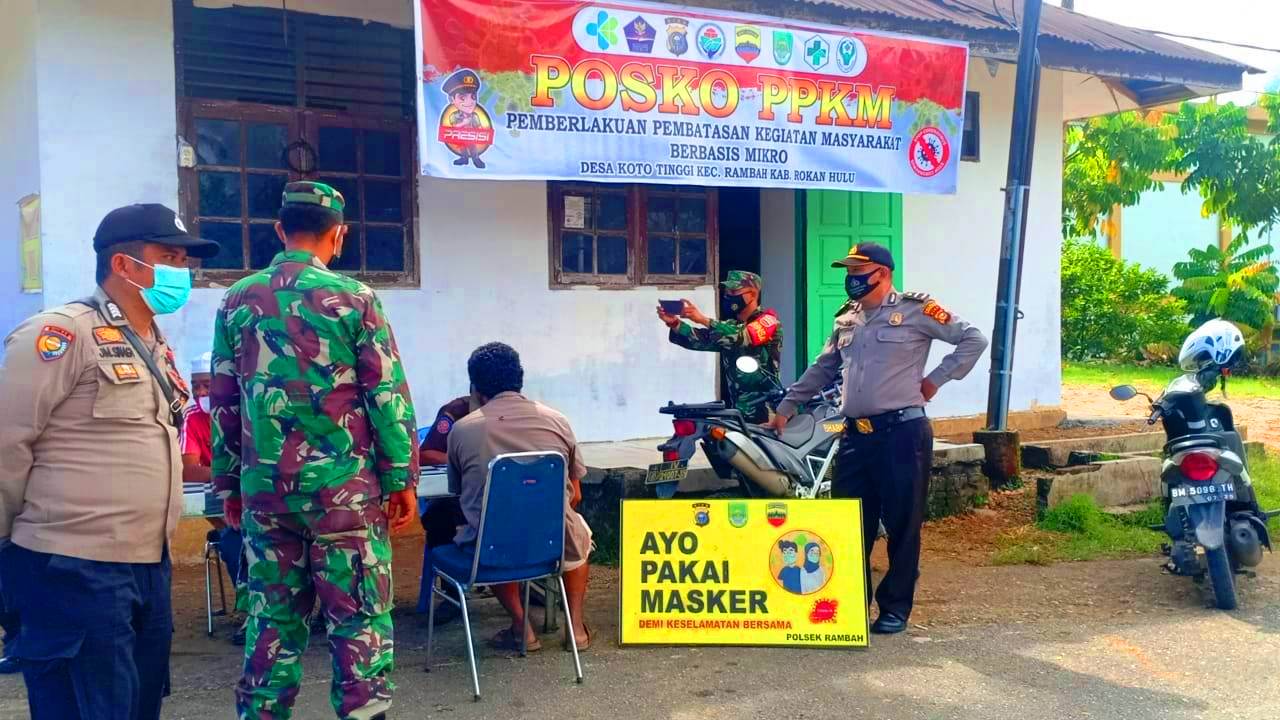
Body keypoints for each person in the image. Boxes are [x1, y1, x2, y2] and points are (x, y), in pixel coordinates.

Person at [211, 181, 419, 720]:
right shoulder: (356, 299)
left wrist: (227, 484)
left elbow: (224, 400)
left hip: (266, 496)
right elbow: (385, 395)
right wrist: (401, 478)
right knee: (359, 622)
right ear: (339, 235)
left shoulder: (236, 301)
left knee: (271, 623)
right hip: (344, 498)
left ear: (280, 230)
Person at [0, 203, 218, 718]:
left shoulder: (152, 343)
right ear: (123, 265)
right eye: (169, 258)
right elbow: (7, 442)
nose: (181, 272)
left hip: (147, 565)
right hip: (73, 566)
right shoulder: (61, 334)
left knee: (136, 707)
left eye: (184, 261)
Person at [767, 242, 988, 635]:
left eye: (858, 271)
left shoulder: (918, 310)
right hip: (855, 436)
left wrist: (936, 380)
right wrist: (787, 406)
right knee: (850, 523)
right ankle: (852, 604)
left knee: (902, 522)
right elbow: (823, 367)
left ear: (882, 273)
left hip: (902, 433)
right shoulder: (847, 318)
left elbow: (973, 339)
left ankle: (894, 607)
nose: (850, 278)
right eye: (848, 271)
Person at [446, 343, 593, 652]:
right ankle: (576, 629)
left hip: (493, 547)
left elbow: (459, 493)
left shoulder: (462, 430)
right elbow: (576, 492)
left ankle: (521, 626)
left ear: (475, 387)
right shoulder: (557, 420)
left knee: (490, 531)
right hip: (554, 542)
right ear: (520, 378)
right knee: (579, 534)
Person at [181, 351, 248, 645]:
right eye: (195, 386)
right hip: (227, 512)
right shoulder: (192, 417)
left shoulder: (247, 409)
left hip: (263, 506)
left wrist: (219, 474)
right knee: (235, 541)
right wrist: (230, 475)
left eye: (207, 385)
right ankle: (251, 614)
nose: (200, 393)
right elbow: (188, 470)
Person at [658, 270, 782, 423]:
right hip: (739, 412)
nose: (728, 295)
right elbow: (702, 340)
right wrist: (675, 324)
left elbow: (743, 337)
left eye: (734, 291)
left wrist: (703, 319)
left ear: (753, 294)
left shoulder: (768, 321)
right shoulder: (730, 326)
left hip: (766, 412)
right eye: (727, 291)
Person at [416, 395, 472, 624]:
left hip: (500, 498)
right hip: (460, 494)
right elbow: (425, 454)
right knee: (438, 515)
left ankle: (533, 584)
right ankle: (451, 593)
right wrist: (462, 459)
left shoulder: (516, 411)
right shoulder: (456, 412)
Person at [442, 69, 486, 169]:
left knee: (473, 148)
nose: (469, 102)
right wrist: (464, 123)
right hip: (460, 137)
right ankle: (464, 158)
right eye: (462, 98)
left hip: (471, 137)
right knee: (462, 147)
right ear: (452, 100)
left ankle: (476, 159)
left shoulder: (474, 115)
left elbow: (479, 128)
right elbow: (454, 128)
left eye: (473, 97)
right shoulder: (454, 116)